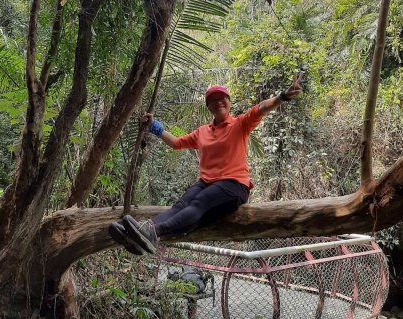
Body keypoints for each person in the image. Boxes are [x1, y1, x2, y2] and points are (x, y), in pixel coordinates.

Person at [109, 75, 302, 255]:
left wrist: (282, 97)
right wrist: (154, 126)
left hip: (234, 185)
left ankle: (153, 232)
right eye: (213, 100)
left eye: (222, 98)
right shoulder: (202, 132)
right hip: (207, 183)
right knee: (181, 204)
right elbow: (177, 143)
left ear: (228, 102)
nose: (218, 102)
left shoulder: (240, 124)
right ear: (208, 107)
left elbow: (261, 108)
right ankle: (139, 234)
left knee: (199, 203)